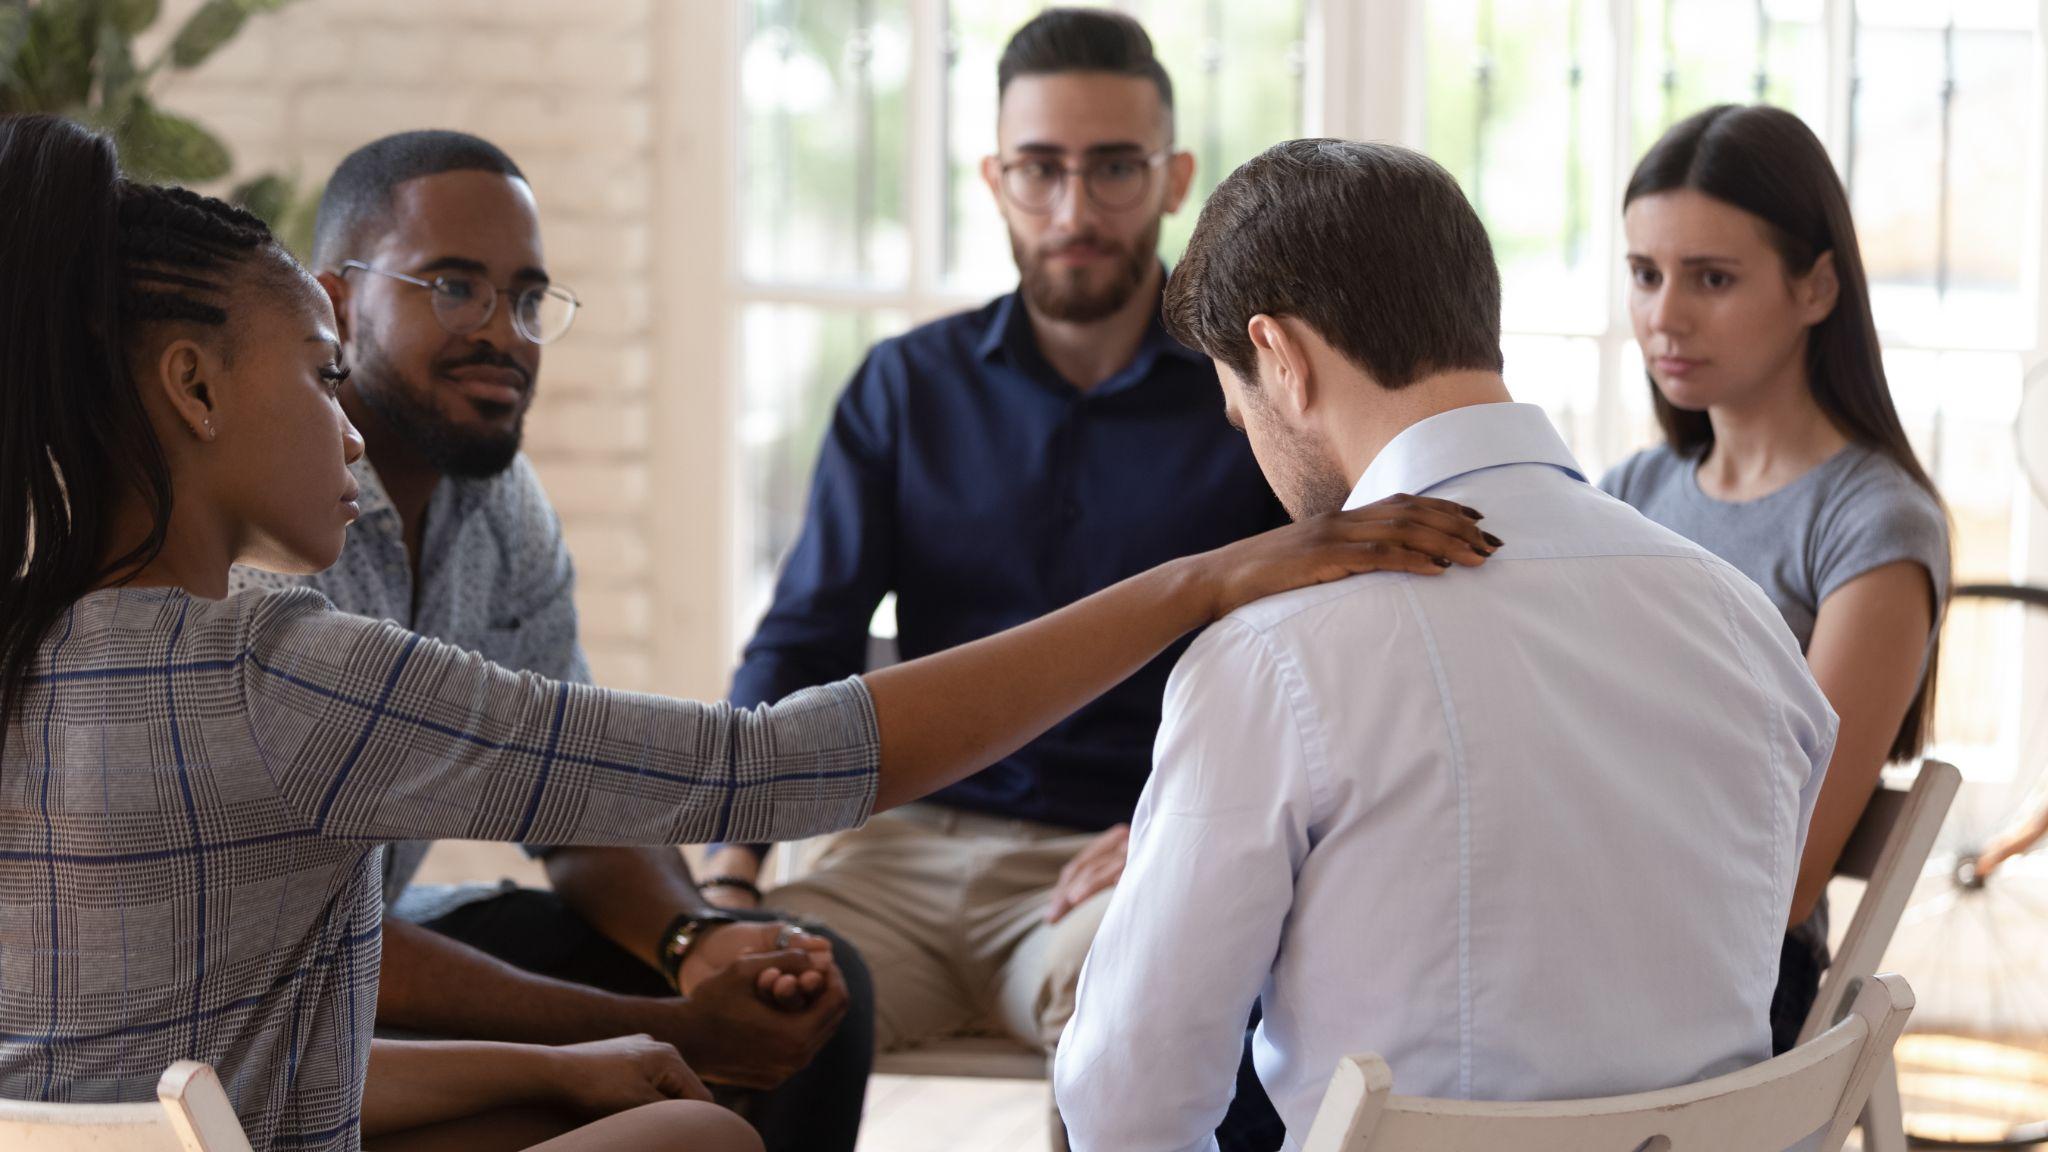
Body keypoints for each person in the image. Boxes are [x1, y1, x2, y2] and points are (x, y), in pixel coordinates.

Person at [0, 113, 1494, 1152]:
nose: (336, 418)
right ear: (194, 392)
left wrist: (587, 1043)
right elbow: (771, 764)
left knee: (654, 1091)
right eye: (315, 374)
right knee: (700, 1140)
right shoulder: (277, 666)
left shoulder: (39, 639)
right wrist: (1205, 581)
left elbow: (213, 1077)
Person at [1053, 138, 1839, 1151]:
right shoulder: (1743, 625)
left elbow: (1126, 1098)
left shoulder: (1271, 656)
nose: (1245, 438)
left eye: (1235, 401)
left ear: (1280, 360)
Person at [226, 130, 872, 1152]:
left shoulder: (500, 506)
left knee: (804, 997)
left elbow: (570, 801)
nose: (503, 331)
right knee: (680, 1074)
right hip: (266, 1010)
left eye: (525, 298)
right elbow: (298, 939)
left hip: (389, 941)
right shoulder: (257, 532)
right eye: (452, 286)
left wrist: (693, 941)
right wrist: (660, 1025)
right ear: (336, 304)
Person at [702, 6, 1291, 1077]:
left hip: (1125, 857)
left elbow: (1320, 654)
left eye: (1113, 168)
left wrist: (1191, 831)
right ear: (994, 180)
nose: (1074, 208)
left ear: (1172, 178)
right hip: (898, 856)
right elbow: (802, 641)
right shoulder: (904, 388)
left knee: (1149, 1022)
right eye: (1039, 169)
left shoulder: (1248, 399)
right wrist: (729, 876)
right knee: (737, 1011)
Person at [1601, 104, 1951, 1053]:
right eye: (1645, 275)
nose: (1664, 316)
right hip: (1590, 921)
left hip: (1732, 978)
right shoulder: (1631, 490)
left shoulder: (1871, 524)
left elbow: (1786, 876)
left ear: (1817, 287)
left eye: (1712, 279)